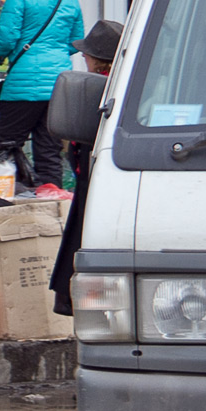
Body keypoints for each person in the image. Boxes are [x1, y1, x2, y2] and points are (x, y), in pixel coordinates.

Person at [0, 0, 85, 188]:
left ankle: (5, 199)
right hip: (58, 86)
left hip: (22, 87)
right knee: (49, 150)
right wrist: (54, 54)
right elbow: (77, 40)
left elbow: (7, 36)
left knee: (5, 146)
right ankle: (49, 204)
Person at [50, 18, 121, 316]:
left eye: (87, 54)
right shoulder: (108, 88)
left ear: (99, 61)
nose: (83, 58)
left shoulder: (107, 92)